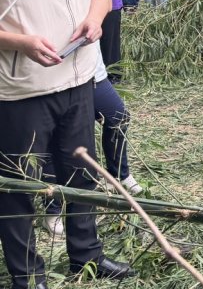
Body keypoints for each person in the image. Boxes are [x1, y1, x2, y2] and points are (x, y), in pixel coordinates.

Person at [0, 0, 134, 289]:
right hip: (21, 88)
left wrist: (94, 21)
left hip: (78, 78)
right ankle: (27, 278)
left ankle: (87, 257)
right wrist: (19, 41)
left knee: (82, 174)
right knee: (20, 184)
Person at [43, 55, 144, 236]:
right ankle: (53, 208)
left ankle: (119, 175)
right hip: (51, 78)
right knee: (52, 137)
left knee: (117, 116)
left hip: (91, 70)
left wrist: (95, 24)